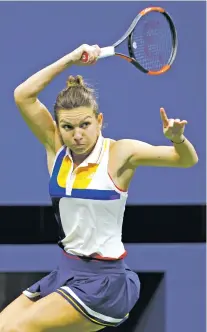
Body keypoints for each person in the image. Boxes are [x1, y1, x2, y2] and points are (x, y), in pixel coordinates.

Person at [0, 44, 198, 332]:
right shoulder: (56, 150)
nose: (77, 134)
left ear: (99, 121)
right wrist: (69, 59)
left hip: (106, 284)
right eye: (68, 127)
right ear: (59, 127)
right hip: (66, 272)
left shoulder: (120, 153)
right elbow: (23, 95)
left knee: (20, 329)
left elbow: (186, 161)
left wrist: (177, 139)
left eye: (85, 124)